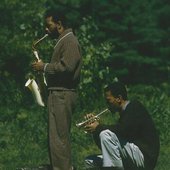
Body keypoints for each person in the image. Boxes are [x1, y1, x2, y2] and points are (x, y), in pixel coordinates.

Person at [32, 9, 82, 170]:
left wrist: (44, 67)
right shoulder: (64, 40)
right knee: (55, 140)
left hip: (63, 94)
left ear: (59, 24)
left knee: (59, 139)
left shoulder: (70, 41)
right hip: (57, 94)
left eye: (49, 25)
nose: (46, 30)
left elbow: (67, 67)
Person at [84, 82, 160, 170]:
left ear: (119, 98)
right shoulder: (124, 114)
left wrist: (98, 127)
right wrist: (94, 130)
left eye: (108, 101)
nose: (107, 104)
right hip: (132, 156)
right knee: (90, 161)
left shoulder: (134, 107)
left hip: (144, 158)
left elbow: (123, 130)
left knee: (106, 134)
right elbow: (107, 147)